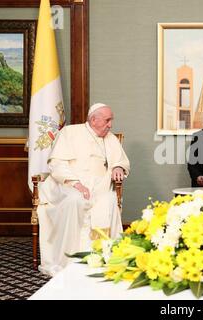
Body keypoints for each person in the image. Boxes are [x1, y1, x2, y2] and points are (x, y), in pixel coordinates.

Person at [37, 103, 130, 276]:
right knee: (76, 200)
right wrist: (76, 184)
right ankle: (69, 258)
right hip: (67, 184)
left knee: (108, 201)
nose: (111, 125)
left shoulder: (110, 138)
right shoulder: (70, 132)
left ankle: (102, 255)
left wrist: (118, 167)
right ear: (93, 120)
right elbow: (57, 163)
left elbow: (121, 161)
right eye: (107, 120)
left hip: (100, 186)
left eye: (111, 120)